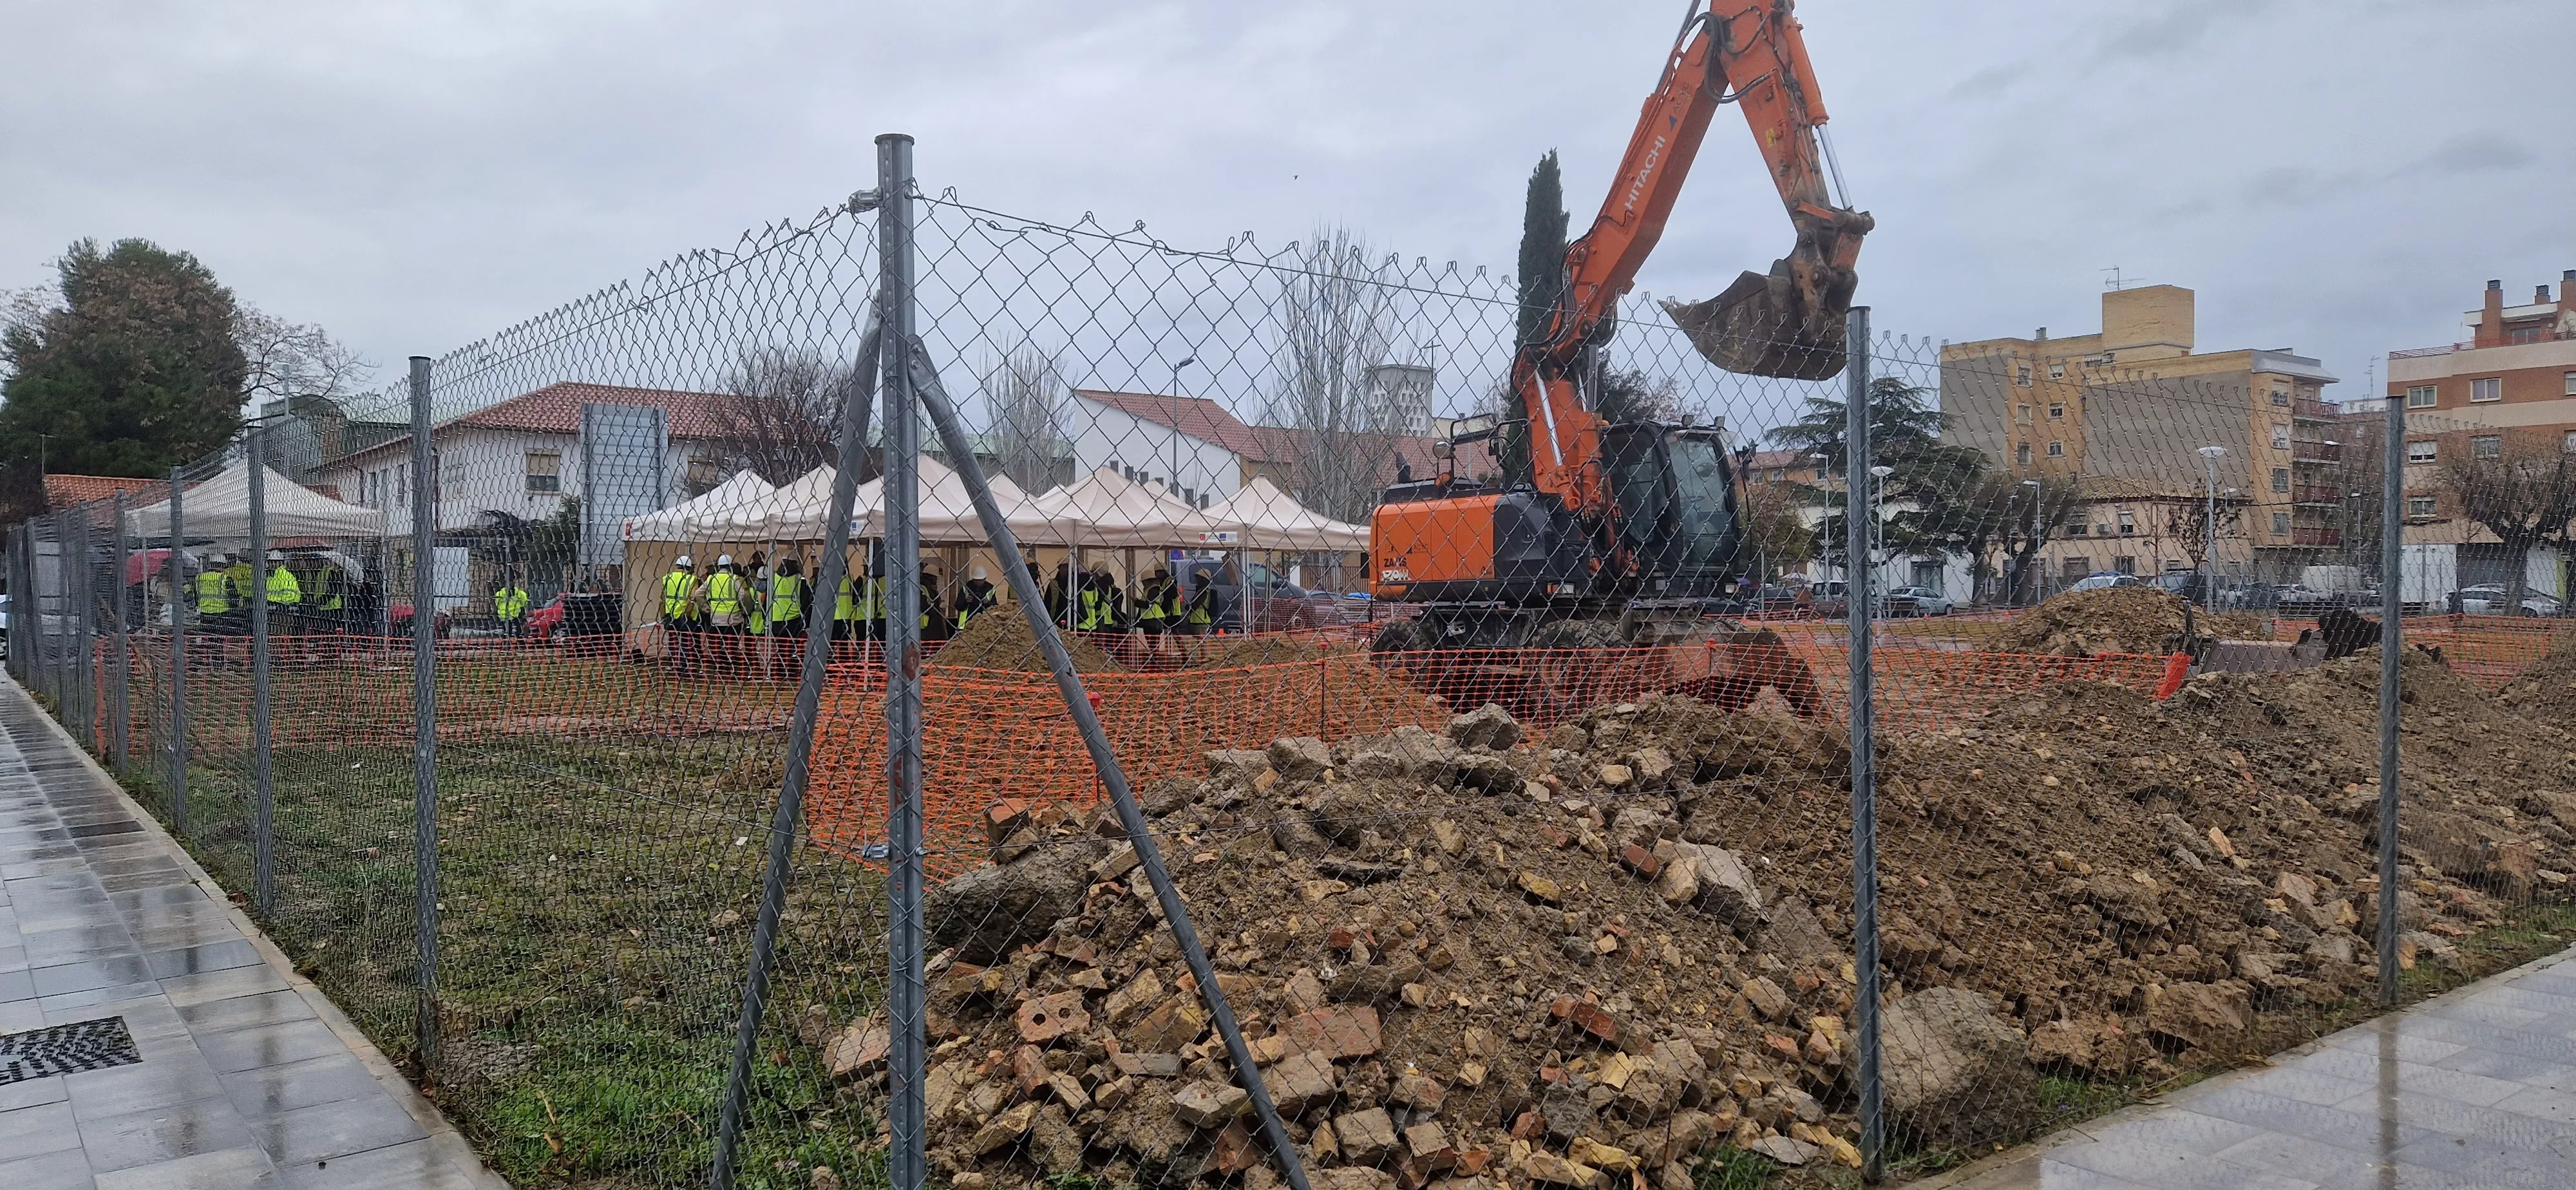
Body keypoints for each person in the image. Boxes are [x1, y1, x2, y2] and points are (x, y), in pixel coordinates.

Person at [701, 554, 750, 678]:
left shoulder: (711, 579)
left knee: (717, 645)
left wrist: (706, 608)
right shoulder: (734, 578)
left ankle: (719, 668)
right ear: (730, 566)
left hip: (716, 618)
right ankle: (730, 669)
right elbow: (743, 595)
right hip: (733, 618)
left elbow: (698, 594)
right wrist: (743, 608)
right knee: (731, 645)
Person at [661, 554, 702, 675]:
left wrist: (664, 616)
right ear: (688, 568)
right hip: (685, 615)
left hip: (670, 614)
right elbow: (693, 598)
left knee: (673, 640)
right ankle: (683, 665)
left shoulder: (667, 578)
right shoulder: (692, 579)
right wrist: (688, 613)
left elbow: (662, 598)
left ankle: (675, 664)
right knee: (685, 641)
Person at [768, 557, 808, 675]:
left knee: (780, 647)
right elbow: (806, 600)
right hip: (794, 617)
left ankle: (779, 671)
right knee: (792, 646)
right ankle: (791, 670)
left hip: (777, 617)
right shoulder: (799, 579)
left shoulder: (774, 577)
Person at [263, 551, 303, 639]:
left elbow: (291, 594)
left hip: (283, 610)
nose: (272, 564)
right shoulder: (271, 576)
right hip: (272, 609)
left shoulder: (284, 575)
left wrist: (280, 604)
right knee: (273, 635)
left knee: (278, 635)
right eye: (271, 562)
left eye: (275, 562)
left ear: (280, 562)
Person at [1134, 568, 1179, 636]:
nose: (1143, 583)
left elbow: (1148, 604)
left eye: (1144, 581)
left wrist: (1137, 602)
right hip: (1149, 618)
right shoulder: (1148, 590)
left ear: (1148, 581)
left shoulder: (1154, 589)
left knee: (1153, 641)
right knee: (1152, 642)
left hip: (1154, 618)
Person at [952, 567, 997, 633]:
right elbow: (958, 606)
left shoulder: (990, 589)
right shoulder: (967, 588)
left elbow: (996, 608)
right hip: (966, 626)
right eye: (976, 580)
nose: (978, 582)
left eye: (981, 580)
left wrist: (988, 603)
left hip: (985, 626)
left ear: (984, 579)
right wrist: (966, 602)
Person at [493, 571, 529, 639]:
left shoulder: (499, 594)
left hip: (507, 617)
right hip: (514, 617)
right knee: (516, 634)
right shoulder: (520, 594)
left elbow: (497, 604)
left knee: (508, 634)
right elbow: (524, 603)